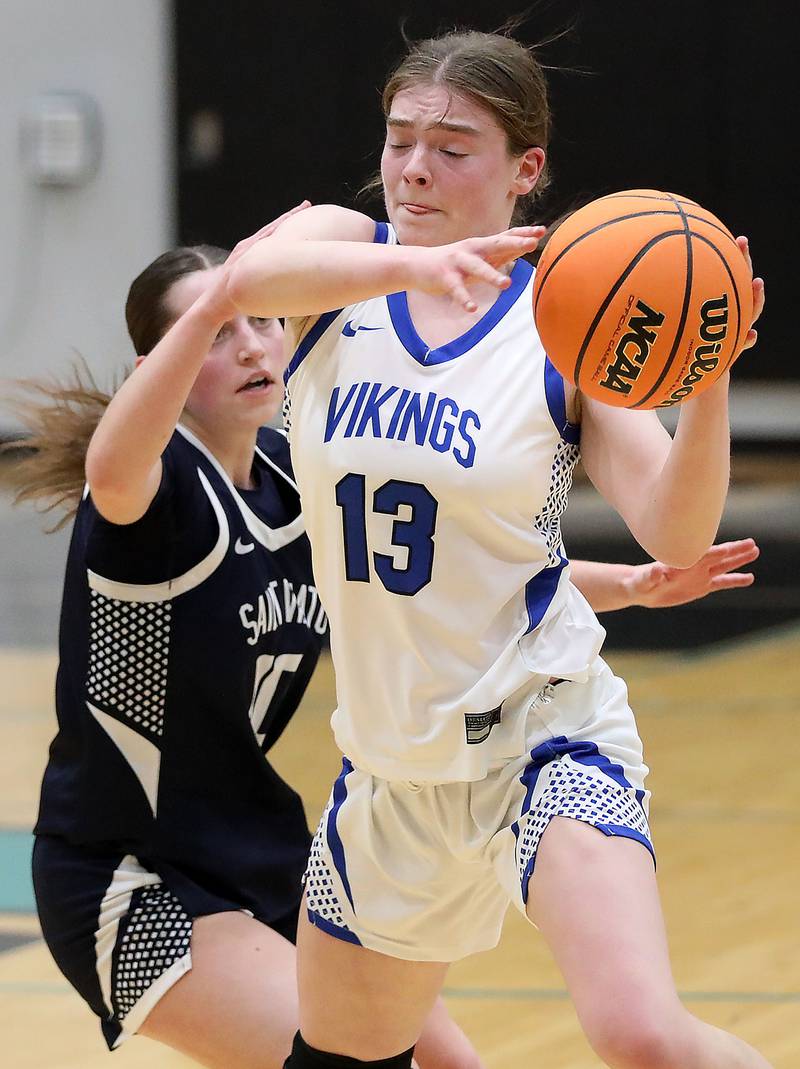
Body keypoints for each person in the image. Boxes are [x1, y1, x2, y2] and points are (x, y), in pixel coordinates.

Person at [4, 207, 759, 1069]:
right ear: (160, 371)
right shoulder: (154, 495)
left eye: (260, 324)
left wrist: (628, 585)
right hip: (128, 874)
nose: (251, 346)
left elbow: (430, 560)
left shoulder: (300, 477)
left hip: (260, 842)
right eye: (215, 332)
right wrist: (230, 290)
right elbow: (109, 467)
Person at [226, 27, 770, 1069]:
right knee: (340, 1056)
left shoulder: (562, 325)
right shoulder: (339, 267)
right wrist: (414, 259)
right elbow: (241, 284)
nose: (414, 167)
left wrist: (704, 376)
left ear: (525, 170)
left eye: (452, 146)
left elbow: (674, 526)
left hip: (539, 731)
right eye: (399, 140)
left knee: (639, 1033)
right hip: (390, 764)